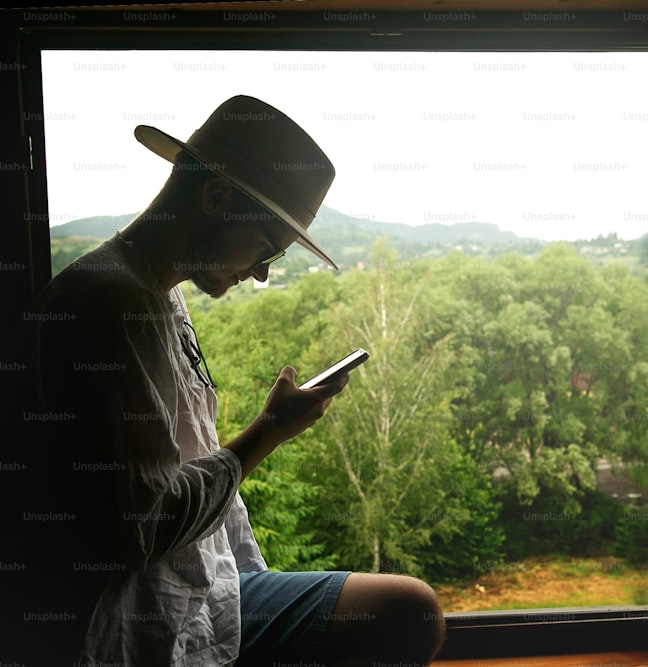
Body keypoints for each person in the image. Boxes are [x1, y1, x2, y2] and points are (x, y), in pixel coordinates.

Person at [8, 96, 445, 666]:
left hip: (206, 586)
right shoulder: (109, 308)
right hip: (141, 612)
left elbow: (192, 462)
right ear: (216, 198)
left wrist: (245, 575)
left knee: (406, 609)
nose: (262, 273)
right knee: (408, 612)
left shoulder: (160, 299)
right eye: (266, 250)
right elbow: (140, 530)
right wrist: (267, 432)